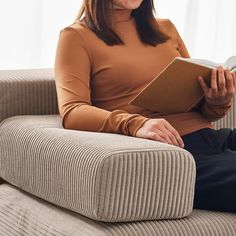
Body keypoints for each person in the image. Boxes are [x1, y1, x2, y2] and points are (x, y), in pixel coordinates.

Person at [55, 0, 236, 212]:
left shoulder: (166, 28)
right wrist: (136, 124)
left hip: (212, 138)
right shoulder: (76, 36)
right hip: (169, 153)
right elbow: (72, 110)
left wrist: (217, 101)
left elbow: (198, 106)